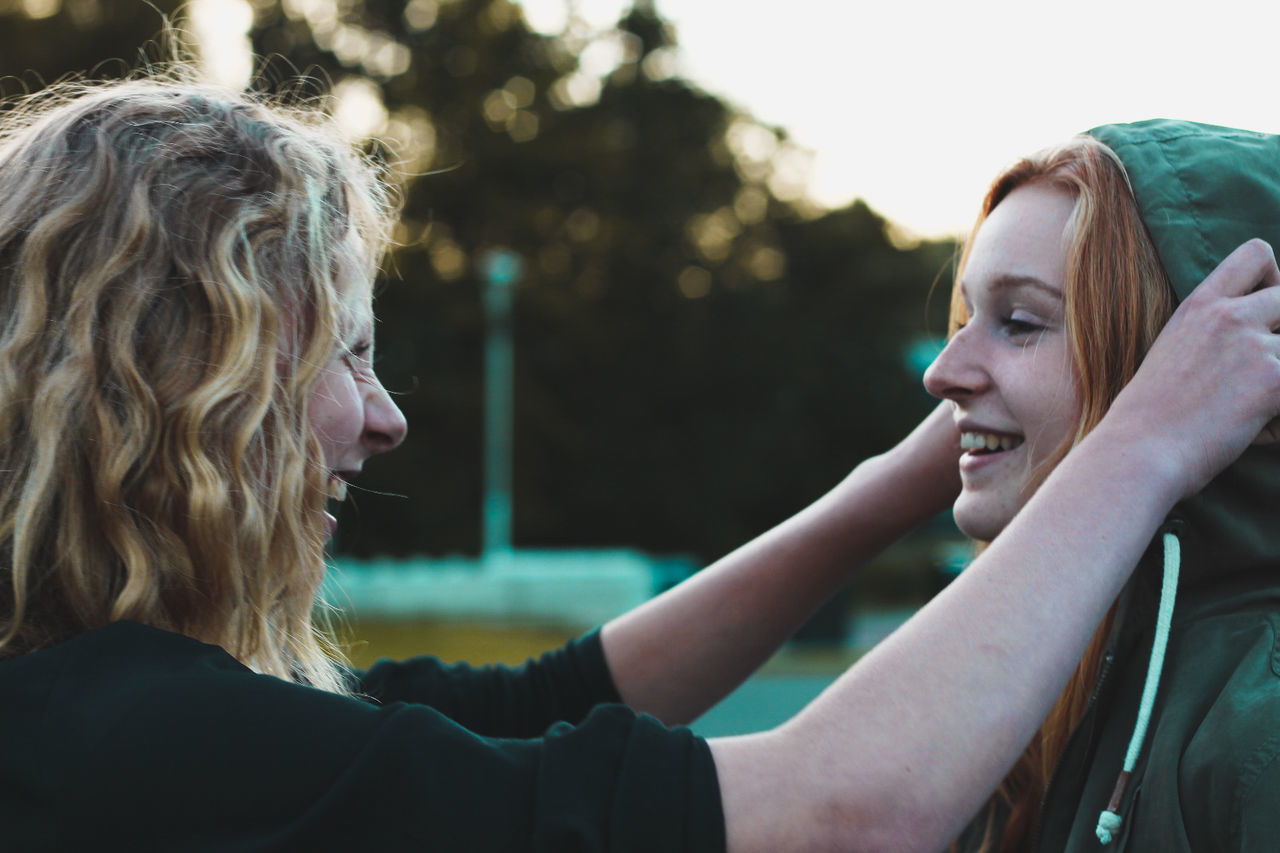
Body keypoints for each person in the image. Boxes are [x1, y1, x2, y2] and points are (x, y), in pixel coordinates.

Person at [0, 76, 1278, 853]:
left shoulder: (90, 701)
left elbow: (564, 699)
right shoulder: (136, 740)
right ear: (190, 393)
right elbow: (838, 812)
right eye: (348, 358)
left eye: (1016, 322)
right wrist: (1141, 442)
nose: (382, 419)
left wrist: (903, 477)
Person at [930, 122, 1280, 852]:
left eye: (1018, 321)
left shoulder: (1261, 731)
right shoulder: (1039, 669)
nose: (941, 372)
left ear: (1203, 367)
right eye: (964, 319)